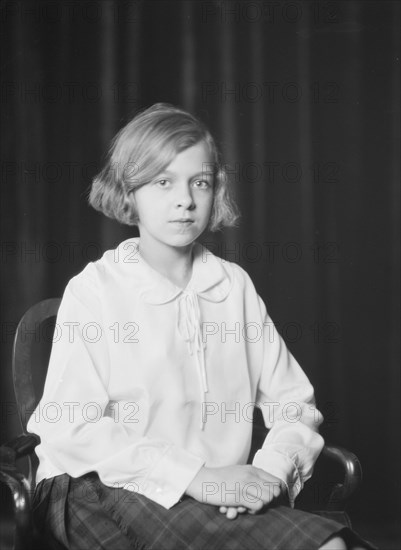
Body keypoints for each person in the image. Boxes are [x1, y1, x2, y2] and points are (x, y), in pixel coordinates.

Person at [27, 103, 375, 550]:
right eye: (163, 181)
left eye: (200, 182)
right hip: (92, 485)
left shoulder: (232, 286)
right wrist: (198, 478)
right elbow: (71, 427)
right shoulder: (96, 288)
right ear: (129, 191)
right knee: (320, 546)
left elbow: (294, 403)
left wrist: (267, 473)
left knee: (320, 545)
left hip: (207, 498)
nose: (185, 200)